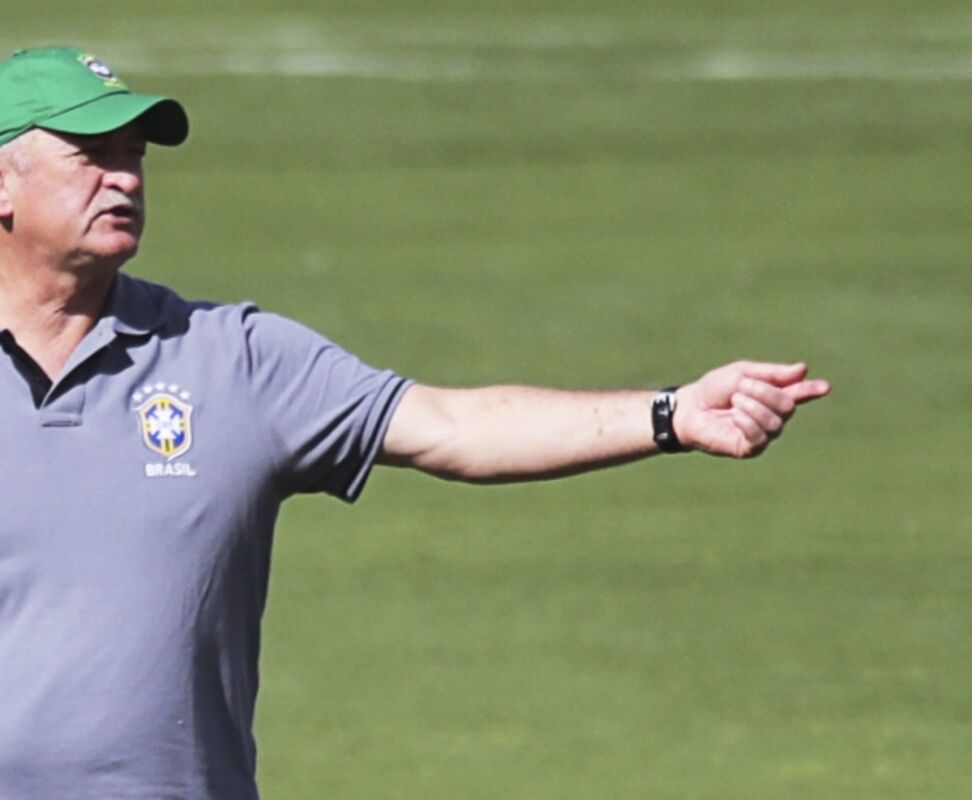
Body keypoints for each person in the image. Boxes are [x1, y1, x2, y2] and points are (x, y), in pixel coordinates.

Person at [0, 47, 830, 798]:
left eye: (135, 154)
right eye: (92, 154)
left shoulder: (234, 361)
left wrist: (670, 413)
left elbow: (454, 427)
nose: (126, 179)